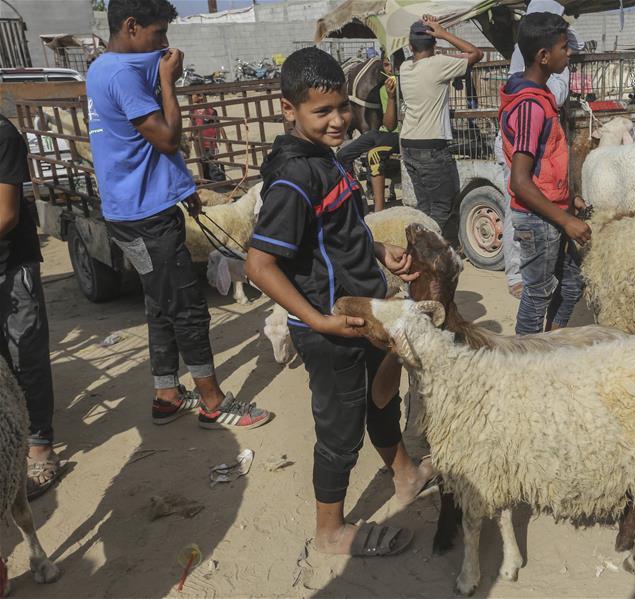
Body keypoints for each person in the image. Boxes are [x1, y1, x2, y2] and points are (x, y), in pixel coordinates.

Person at [245, 48, 435, 556]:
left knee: (380, 394)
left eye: (341, 108)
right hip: (332, 327)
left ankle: (405, 476)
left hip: (361, 311)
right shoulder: (293, 178)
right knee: (340, 429)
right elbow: (258, 265)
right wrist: (318, 321)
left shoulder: (323, 158)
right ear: (289, 110)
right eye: (321, 112)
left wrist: (378, 250)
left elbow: (335, 232)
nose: (337, 121)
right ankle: (329, 532)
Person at [87, 0, 271, 428]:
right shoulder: (122, 74)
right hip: (146, 218)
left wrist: (182, 189)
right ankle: (212, 402)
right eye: (159, 33)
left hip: (137, 207)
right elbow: (168, 138)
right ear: (131, 27)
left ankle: (167, 393)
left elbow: (141, 148)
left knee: (160, 302)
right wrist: (169, 82)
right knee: (188, 307)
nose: (165, 44)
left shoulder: (101, 67)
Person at [500, 12, 591, 336]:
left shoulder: (541, 99)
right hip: (537, 219)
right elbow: (521, 182)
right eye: (564, 47)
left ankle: (553, 343)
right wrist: (565, 219)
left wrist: (569, 200)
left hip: (550, 210)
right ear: (543, 56)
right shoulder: (529, 107)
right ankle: (525, 359)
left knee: (571, 282)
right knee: (537, 293)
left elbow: (545, 163)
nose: (569, 53)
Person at [0, 114, 60, 499]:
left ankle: (40, 448)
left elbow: (6, 213)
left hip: (10, 265)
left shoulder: (4, 136)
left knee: (25, 357)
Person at [399, 16, 484, 242]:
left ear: (410, 46)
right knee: (443, 206)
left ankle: (420, 246)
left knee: (425, 205)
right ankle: (430, 251)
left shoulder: (405, 68)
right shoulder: (439, 64)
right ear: (434, 44)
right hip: (431, 147)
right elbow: (476, 53)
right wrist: (444, 32)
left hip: (408, 144)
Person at [337, 53, 400, 212]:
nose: (390, 69)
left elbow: (392, 127)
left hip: (400, 134)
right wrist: (389, 96)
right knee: (343, 154)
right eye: (386, 65)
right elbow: (387, 124)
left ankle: (379, 211)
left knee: (375, 155)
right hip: (384, 134)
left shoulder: (406, 84)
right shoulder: (383, 89)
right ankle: (355, 196)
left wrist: (392, 97)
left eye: (393, 65)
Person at [190, 92, 225, 182]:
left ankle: (216, 183)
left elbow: (218, 125)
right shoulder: (193, 111)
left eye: (192, 96)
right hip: (199, 142)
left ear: (200, 96)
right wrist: (190, 136)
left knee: (212, 162)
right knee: (202, 163)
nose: (190, 98)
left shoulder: (212, 111)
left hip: (211, 142)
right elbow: (191, 123)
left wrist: (224, 138)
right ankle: (207, 181)